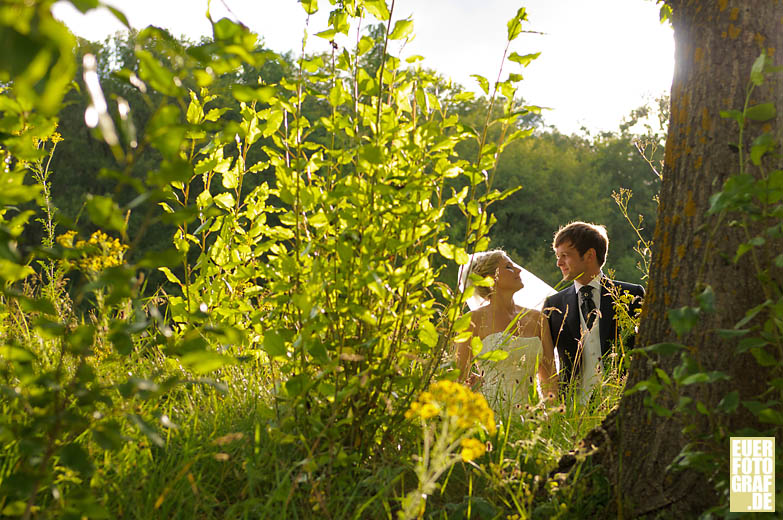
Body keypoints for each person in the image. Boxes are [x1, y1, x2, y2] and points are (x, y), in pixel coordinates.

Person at [544, 221, 644, 403]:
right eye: (557, 256)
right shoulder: (553, 304)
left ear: (590, 255)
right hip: (573, 410)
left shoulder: (632, 294)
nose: (559, 263)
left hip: (623, 404)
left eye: (565, 255)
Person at [455, 250, 558, 417]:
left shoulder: (537, 318)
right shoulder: (472, 320)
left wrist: (554, 418)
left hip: (530, 416)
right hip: (488, 415)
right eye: (509, 267)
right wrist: (477, 382)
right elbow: (458, 376)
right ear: (490, 279)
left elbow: (549, 379)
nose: (519, 271)